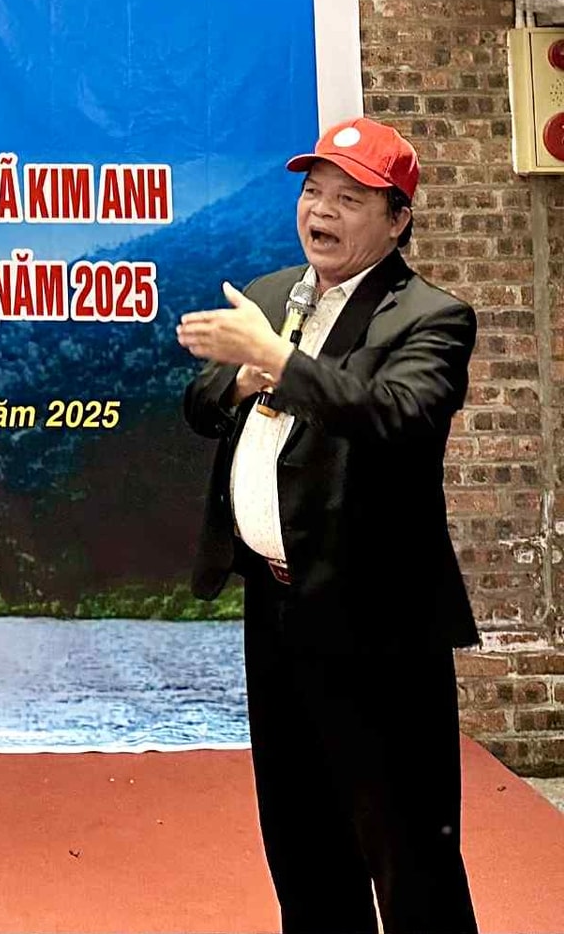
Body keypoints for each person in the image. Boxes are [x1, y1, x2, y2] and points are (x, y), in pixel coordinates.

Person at [177, 116, 479, 934]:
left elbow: (395, 414)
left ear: (398, 219)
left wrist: (280, 361)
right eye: (314, 192)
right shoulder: (273, 294)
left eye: (350, 198)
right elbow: (201, 406)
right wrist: (242, 376)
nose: (322, 211)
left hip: (377, 619)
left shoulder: (432, 317)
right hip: (276, 610)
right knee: (303, 843)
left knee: (408, 852)